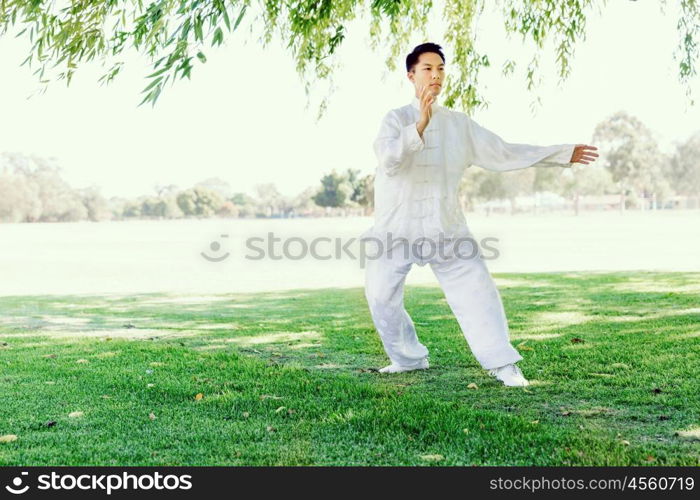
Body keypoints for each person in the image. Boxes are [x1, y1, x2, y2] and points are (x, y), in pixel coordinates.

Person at [360, 42, 598, 386]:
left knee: (477, 293)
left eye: (441, 68)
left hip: (446, 227)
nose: (436, 75)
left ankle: (503, 365)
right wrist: (420, 125)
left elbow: (503, 152)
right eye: (427, 68)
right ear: (411, 75)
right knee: (381, 298)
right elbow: (390, 161)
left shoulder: (459, 125)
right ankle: (407, 358)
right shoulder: (394, 120)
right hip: (395, 229)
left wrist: (561, 153)